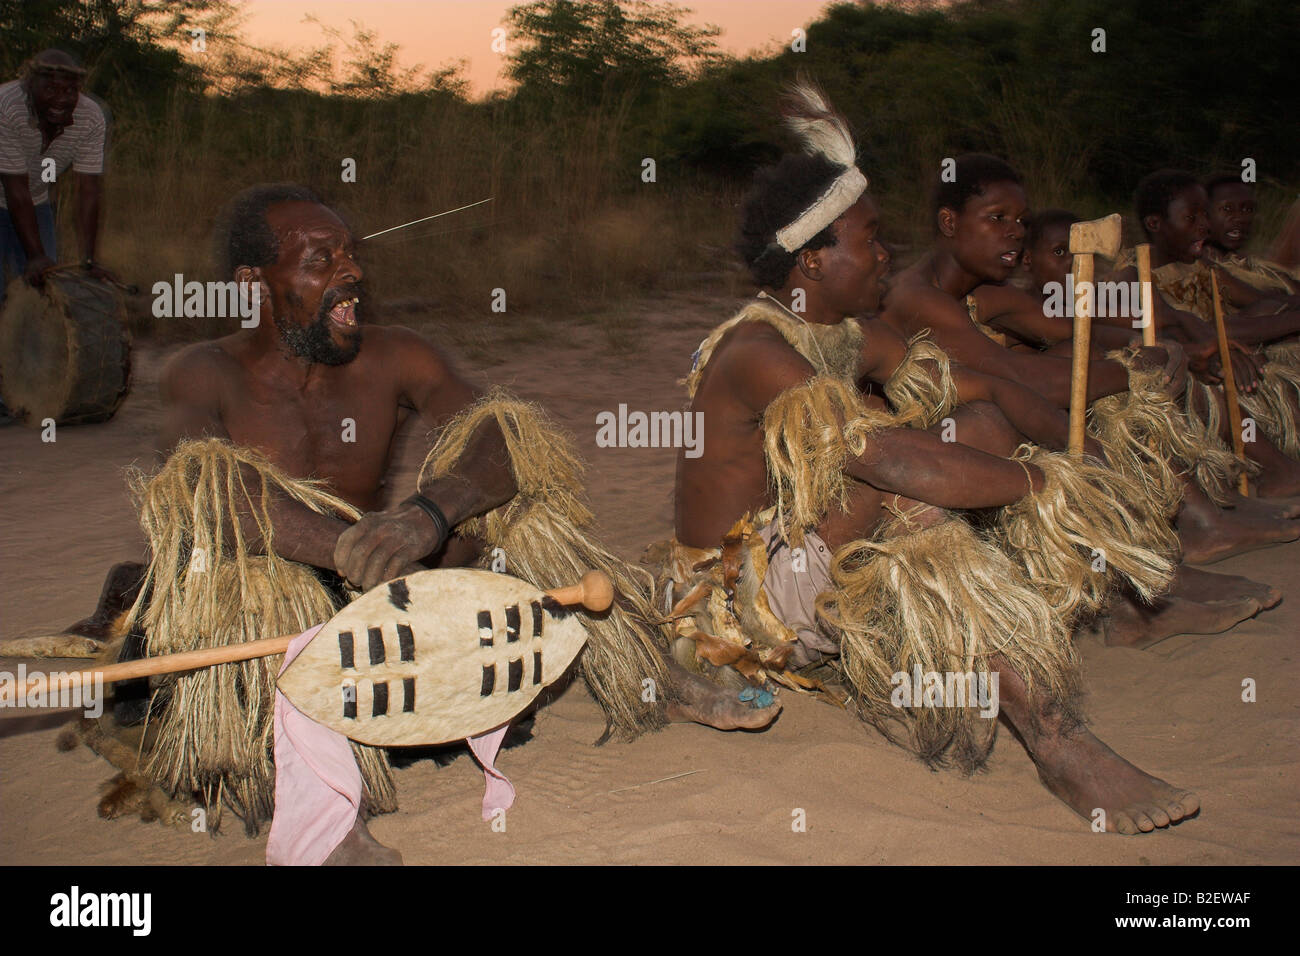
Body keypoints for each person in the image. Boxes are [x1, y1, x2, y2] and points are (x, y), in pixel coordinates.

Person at [22, 183, 769, 862]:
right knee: (252, 578)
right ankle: (325, 815)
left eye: (351, 255)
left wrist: (428, 515)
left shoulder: (395, 354)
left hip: (376, 580)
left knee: (526, 513)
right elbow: (206, 488)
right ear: (255, 285)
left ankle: (644, 673)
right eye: (322, 259)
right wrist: (340, 546)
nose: (351, 273)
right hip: (277, 596)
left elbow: (505, 432)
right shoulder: (200, 372)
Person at [650, 85, 1197, 833]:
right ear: (812, 260)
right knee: (916, 498)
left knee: (976, 425)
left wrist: (1091, 450)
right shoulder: (759, 352)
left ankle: (1067, 617)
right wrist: (1047, 484)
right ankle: (1057, 740)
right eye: (871, 240)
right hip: (738, 607)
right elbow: (894, 464)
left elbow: (983, 389)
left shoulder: (847, 332)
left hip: (807, 558)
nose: (889, 254)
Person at [0, 49, 113, 292]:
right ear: (29, 85)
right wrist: (35, 255)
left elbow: (88, 190)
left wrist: (88, 260)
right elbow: (14, 187)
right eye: (50, 90)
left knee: (44, 287)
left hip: (36, 201)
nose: (61, 99)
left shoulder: (91, 117)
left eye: (70, 91)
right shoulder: (6, 106)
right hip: (15, 193)